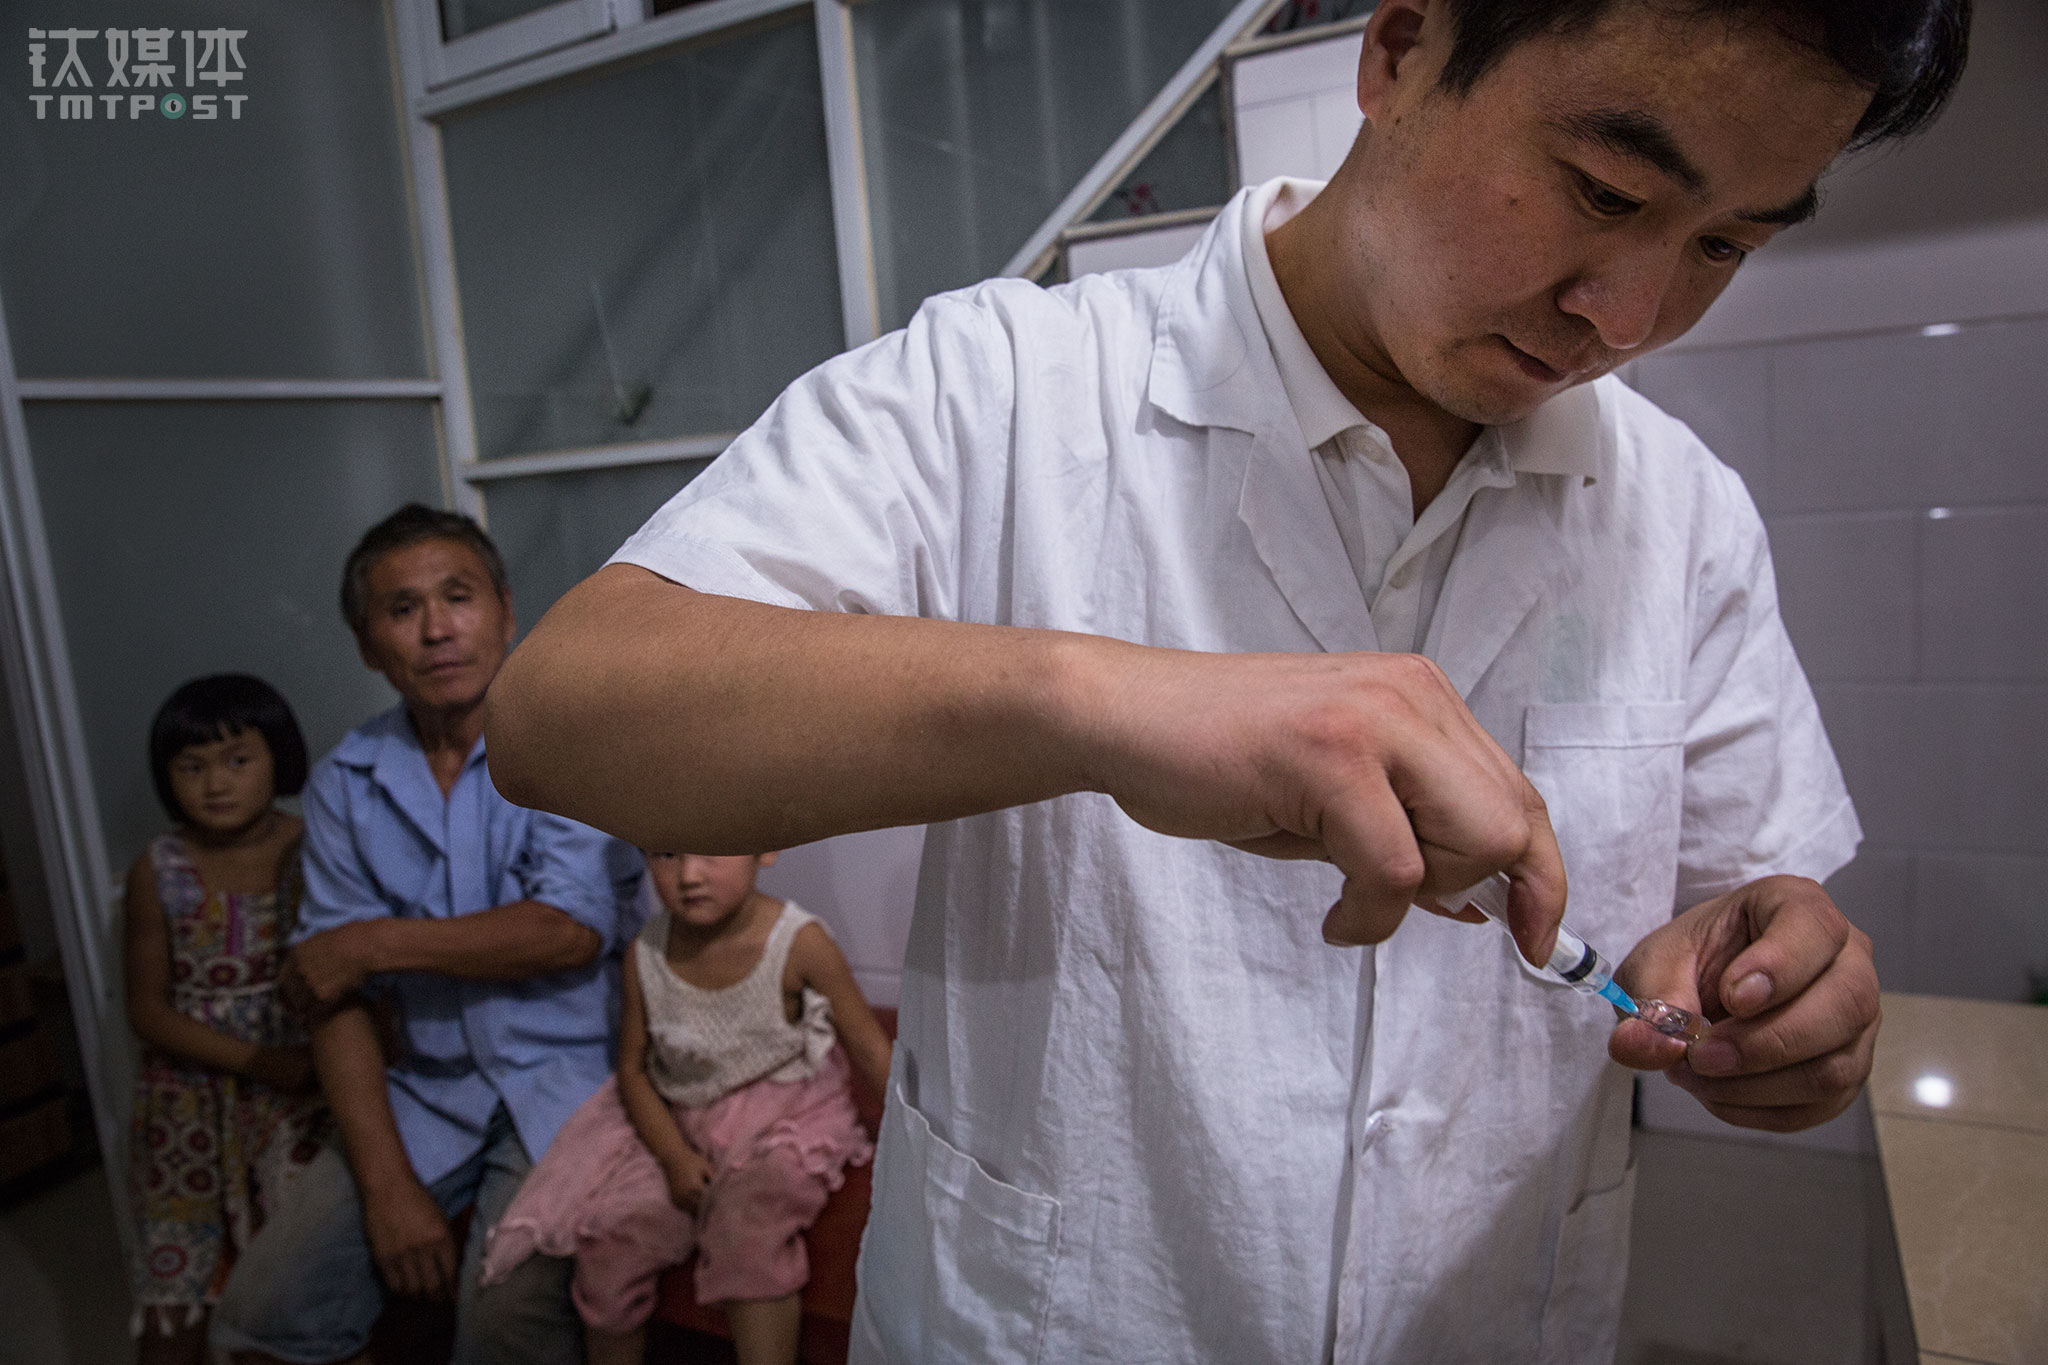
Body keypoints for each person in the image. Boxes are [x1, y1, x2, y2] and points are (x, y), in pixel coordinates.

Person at [483, 1, 1971, 1359]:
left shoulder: (1680, 512)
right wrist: (1106, 703)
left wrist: (1776, 989)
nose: (1628, 316)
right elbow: (564, 717)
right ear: (1400, 52)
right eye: (1606, 193)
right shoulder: (1002, 388)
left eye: (1723, 245)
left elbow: (1731, 892)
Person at [210, 505, 642, 1365]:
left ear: (506, 611)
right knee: (260, 1315)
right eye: (403, 609)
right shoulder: (346, 782)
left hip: (573, 1088)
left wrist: (369, 944)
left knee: (501, 1331)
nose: (438, 629)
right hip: (428, 1091)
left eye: (459, 596)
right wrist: (386, 1188)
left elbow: (565, 930)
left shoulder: (571, 739)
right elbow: (327, 991)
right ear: (368, 644)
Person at [480, 849, 891, 1365]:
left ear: (765, 848)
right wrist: (674, 1158)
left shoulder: (799, 941)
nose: (690, 875)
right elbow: (634, 1071)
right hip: (681, 1123)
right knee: (611, 1245)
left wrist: (919, 1141)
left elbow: (870, 1049)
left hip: (784, 1119)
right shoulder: (645, 953)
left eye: (711, 850)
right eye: (667, 854)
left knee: (747, 1233)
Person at [124, 674, 328, 1365]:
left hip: (299, 1100)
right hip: (186, 1105)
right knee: (177, 1284)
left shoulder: (313, 848)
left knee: (297, 1272)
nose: (215, 783)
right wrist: (259, 1062)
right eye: (192, 766)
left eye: (237, 759)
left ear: (278, 757)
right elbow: (147, 1009)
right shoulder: (159, 869)